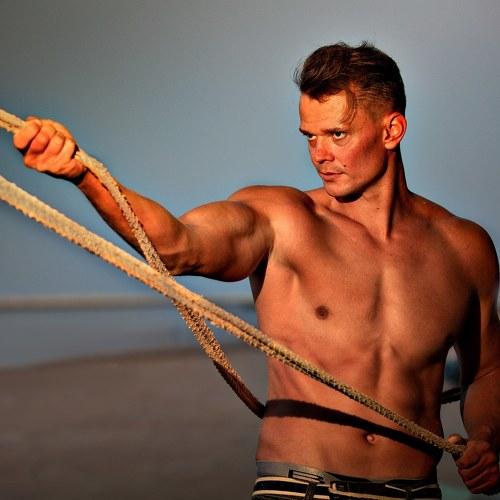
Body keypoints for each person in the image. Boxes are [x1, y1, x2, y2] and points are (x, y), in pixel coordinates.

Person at [13, 42, 500, 499]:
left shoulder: (463, 249)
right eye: (310, 137)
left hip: (417, 491)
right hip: (304, 488)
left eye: (337, 135)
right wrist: (82, 172)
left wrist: (486, 436)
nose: (320, 154)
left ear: (392, 130)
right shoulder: (282, 220)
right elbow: (177, 245)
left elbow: (486, 371)